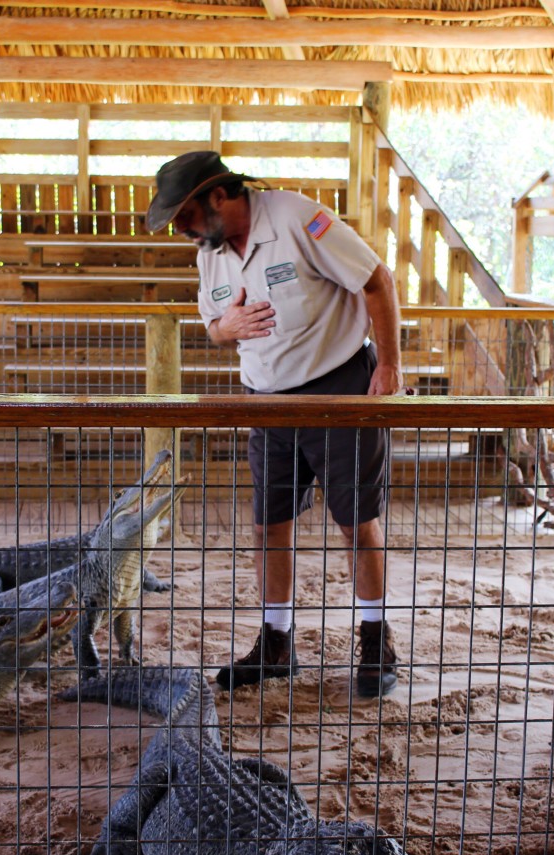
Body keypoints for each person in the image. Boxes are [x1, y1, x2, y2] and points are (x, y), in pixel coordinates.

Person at [145, 150, 406, 699]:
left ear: (220, 195)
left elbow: (376, 279)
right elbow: (214, 326)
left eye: (185, 214)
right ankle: (277, 642)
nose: (181, 229)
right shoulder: (210, 254)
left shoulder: (295, 218)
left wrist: (388, 364)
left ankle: (376, 636)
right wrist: (227, 328)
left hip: (338, 389)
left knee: (354, 521)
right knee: (269, 526)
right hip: (265, 401)